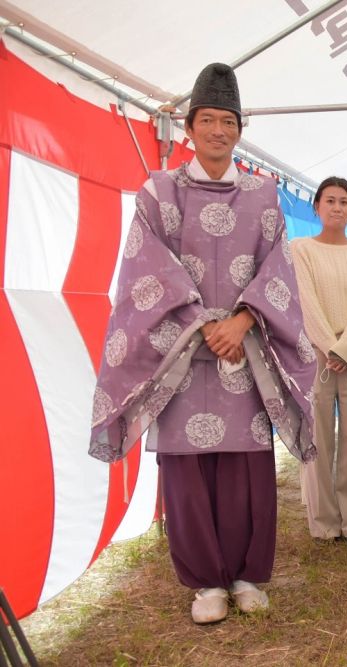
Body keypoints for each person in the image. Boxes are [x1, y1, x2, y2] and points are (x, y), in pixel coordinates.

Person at [88, 63, 315, 624]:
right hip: (181, 355)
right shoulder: (159, 191)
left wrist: (241, 320)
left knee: (246, 466)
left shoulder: (263, 196)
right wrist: (201, 325)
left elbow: (277, 270)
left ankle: (245, 575)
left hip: (246, 349)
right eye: (207, 120)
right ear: (188, 127)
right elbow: (147, 271)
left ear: (241, 127)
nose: (218, 130)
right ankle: (204, 583)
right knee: (187, 470)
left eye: (228, 121)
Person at [291, 177, 347, 548]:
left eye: (345, 201)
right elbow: (305, 301)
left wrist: (345, 349)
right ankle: (324, 521)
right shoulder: (300, 249)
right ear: (317, 207)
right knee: (317, 439)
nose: (338, 207)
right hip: (314, 355)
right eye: (330, 200)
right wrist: (328, 347)